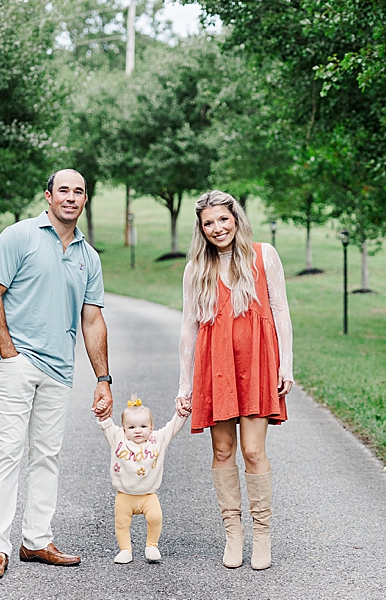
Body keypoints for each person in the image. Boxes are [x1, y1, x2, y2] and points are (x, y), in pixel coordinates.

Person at [0, 168, 115, 581]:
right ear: (48, 196)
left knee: (47, 456)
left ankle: (36, 540)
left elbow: (92, 320)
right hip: (17, 365)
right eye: (64, 191)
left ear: (85, 200)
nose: (71, 197)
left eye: (79, 191)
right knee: (7, 452)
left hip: (60, 370)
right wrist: (9, 352)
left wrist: (103, 378)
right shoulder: (19, 236)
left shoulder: (88, 257)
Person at [175, 190, 293, 571]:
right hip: (216, 365)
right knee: (223, 450)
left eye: (223, 219)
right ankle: (233, 533)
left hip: (257, 361)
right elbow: (189, 329)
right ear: (201, 229)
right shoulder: (196, 269)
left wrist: (285, 363)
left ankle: (261, 534)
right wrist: (184, 385)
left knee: (253, 451)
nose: (217, 228)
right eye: (208, 223)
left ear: (236, 218)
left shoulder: (264, 255)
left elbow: (280, 310)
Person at [97, 397, 187, 564]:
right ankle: (125, 550)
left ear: (151, 427)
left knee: (155, 517)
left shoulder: (158, 440)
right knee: (121, 524)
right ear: (124, 429)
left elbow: (172, 427)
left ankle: (151, 545)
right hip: (124, 495)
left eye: (143, 426)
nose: (138, 431)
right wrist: (102, 411)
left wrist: (182, 415)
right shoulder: (118, 438)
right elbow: (106, 423)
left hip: (148, 495)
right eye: (131, 427)